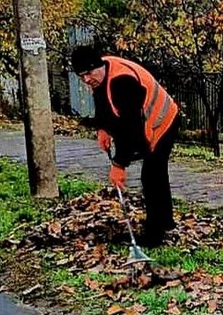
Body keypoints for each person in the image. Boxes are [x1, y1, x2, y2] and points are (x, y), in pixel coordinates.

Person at [71, 45, 181, 247]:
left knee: (151, 175)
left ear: (98, 65)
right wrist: (102, 129)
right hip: (145, 122)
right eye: (81, 76)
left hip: (163, 119)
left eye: (88, 73)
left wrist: (119, 165)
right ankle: (166, 221)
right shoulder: (102, 75)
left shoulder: (122, 81)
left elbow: (130, 130)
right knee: (155, 172)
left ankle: (154, 236)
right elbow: (102, 101)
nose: (87, 80)